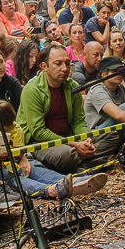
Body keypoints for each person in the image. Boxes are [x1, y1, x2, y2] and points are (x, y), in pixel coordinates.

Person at [16, 44, 95, 174]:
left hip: (68, 136)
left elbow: (79, 121)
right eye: (58, 64)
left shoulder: (72, 86)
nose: (64, 69)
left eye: (67, 63)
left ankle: (79, 165)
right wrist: (74, 144)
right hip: (41, 142)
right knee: (66, 155)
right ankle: (85, 164)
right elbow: (38, 132)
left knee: (110, 136)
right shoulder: (32, 90)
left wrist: (85, 140)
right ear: (44, 66)